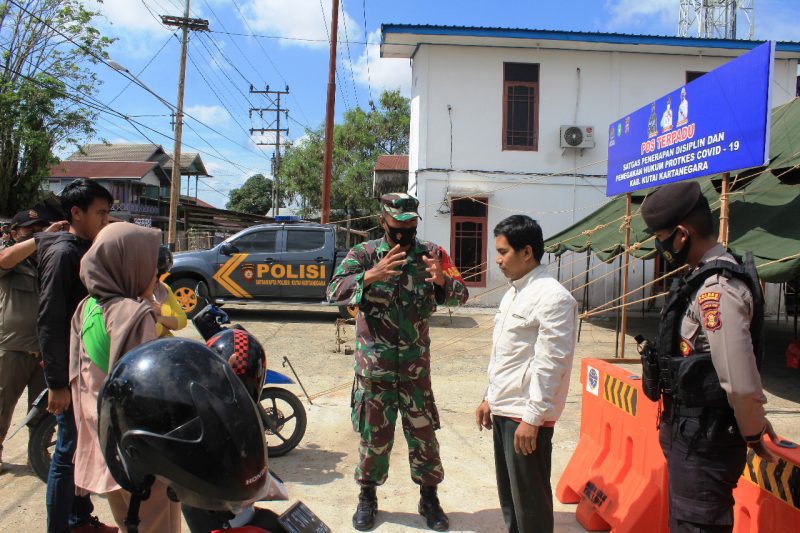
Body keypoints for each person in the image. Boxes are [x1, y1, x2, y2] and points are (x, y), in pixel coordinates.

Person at [640, 180, 776, 533]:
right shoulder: (698, 279)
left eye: (662, 236)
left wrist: (753, 430)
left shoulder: (718, 289)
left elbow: (739, 380)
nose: (660, 246)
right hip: (692, 435)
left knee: (696, 524)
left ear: (682, 235)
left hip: (706, 438)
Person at [327, 193, 469, 532]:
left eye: (410, 222)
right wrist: (369, 276)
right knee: (374, 437)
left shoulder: (433, 254)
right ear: (383, 221)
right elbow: (333, 290)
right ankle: (367, 497)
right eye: (398, 222)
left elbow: (462, 294)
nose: (404, 228)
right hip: (375, 369)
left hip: (415, 370)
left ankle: (429, 497)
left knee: (424, 437)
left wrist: (442, 282)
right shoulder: (362, 254)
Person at [70, 221, 181, 533]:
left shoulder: (88, 305)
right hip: (138, 451)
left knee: (126, 522)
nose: (154, 273)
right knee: (157, 524)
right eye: (147, 264)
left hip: (100, 438)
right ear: (129, 265)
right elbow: (149, 392)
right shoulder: (134, 314)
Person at [475, 215, 577, 533]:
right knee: (512, 501)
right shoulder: (513, 294)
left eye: (503, 252)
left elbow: (552, 364)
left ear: (527, 252)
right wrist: (488, 397)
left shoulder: (554, 298)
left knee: (530, 505)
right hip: (505, 409)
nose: (498, 259)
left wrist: (532, 419)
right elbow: (506, 356)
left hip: (526, 417)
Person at [36, 178, 116, 533]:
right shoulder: (63, 252)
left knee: (82, 448)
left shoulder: (85, 246)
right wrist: (56, 383)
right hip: (68, 373)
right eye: (100, 213)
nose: (106, 219)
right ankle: (62, 526)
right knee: (67, 455)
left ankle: (79, 519)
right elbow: (50, 321)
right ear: (76, 212)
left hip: (84, 369)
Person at [0, 210, 64, 472]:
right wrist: (42, 238)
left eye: (41, 227)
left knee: (43, 410)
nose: (38, 232)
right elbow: (4, 259)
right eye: (30, 229)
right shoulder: (11, 258)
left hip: (43, 349)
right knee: (2, 405)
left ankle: (36, 456)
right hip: (12, 347)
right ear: (15, 234)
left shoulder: (48, 262)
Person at [151, 245, 187, 337]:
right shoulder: (134, 292)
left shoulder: (165, 288)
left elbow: (183, 320)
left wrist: (160, 319)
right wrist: (166, 327)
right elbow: (150, 329)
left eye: (158, 277)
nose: (156, 283)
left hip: (166, 344)